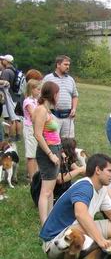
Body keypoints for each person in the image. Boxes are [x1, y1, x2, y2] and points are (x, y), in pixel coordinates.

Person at [39, 154, 111, 259]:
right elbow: (80, 215)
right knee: (80, 228)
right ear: (97, 170)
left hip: (70, 233)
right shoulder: (85, 187)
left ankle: (88, 257)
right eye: (109, 171)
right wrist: (100, 240)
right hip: (53, 243)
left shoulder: (101, 188)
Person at [33, 81, 62, 226]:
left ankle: (50, 219)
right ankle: (45, 224)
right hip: (47, 152)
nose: (59, 96)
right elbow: (38, 134)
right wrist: (50, 154)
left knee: (50, 191)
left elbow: (53, 133)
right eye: (58, 93)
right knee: (45, 191)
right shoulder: (41, 110)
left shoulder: (47, 110)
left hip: (55, 150)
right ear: (52, 94)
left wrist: (59, 151)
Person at [43, 55, 78, 139]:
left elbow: (75, 95)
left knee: (68, 142)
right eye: (65, 64)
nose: (68, 67)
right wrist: (46, 110)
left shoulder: (71, 80)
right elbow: (42, 95)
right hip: (53, 115)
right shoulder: (48, 78)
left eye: (68, 65)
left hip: (68, 116)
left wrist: (74, 109)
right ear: (58, 65)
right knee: (52, 140)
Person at [23, 79, 41, 181]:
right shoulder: (28, 101)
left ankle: (37, 177)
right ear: (32, 89)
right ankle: (32, 179)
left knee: (37, 154)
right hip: (30, 128)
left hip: (37, 128)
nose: (39, 91)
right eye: (38, 89)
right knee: (31, 155)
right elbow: (33, 115)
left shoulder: (37, 101)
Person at [0, 54, 21, 141]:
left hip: (8, 97)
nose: (2, 61)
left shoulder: (6, 72)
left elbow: (3, 85)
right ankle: (18, 136)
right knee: (17, 118)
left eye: (3, 60)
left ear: (6, 61)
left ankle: (11, 137)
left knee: (9, 118)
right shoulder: (15, 70)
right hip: (16, 97)